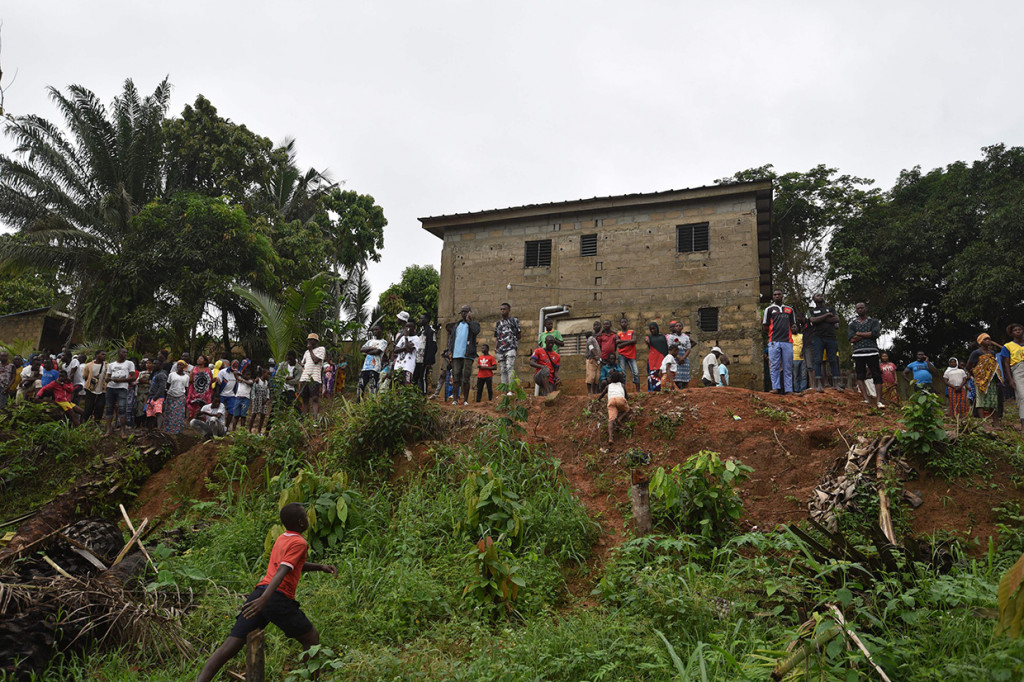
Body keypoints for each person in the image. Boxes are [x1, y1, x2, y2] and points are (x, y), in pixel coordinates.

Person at [194, 503, 337, 682]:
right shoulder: (300, 542)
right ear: (301, 522)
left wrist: (320, 567)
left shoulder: (282, 539)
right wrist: (265, 600)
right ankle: (311, 679)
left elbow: (292, 565)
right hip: (274, 597)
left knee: (230, 646)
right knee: (311, 637)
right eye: (306, 518)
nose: (308, 520)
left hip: (260, 592)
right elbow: (282, 571)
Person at [848, 302, 885, 409]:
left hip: (872, 351)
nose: (860, 310)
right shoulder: (852, 324)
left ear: (866, 309)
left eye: (862, 308)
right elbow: (851, 339)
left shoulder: (874, 321)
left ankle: (879, 401)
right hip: (858, 353)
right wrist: (867, 334)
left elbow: (875, 334)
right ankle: (866, 399)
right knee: (860, 375)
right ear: (856, 310)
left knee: (876, 375)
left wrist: (859, 334)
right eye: (858, 308)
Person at [762, 290, 797, 394]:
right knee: (774, 366)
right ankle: (776, 388)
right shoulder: (769, 309)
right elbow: (765, 326)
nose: (777, 296)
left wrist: (794, 328)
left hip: (787, 341)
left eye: (779, 294)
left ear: (782, 296)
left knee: (787, 366)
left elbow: (793, 324)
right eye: (775, 295)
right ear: (773, 297)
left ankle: (789, 390)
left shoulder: (789, 309)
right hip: (774, 341)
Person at [808, 292, 842, 392]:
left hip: (831, 337)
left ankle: (836, 384)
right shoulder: (811, 310)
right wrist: (827, 316)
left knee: (833, 360)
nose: (820, 296)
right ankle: (819, 384)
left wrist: (821, 320)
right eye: (817, 295)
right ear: (813, 299)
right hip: (818, 337)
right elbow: (813, 320)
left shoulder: (831, 308)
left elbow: (836, 319)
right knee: (818, 360)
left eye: (821, 295)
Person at [447, 305, 481, 406]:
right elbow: (452, 339)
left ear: (470, 313)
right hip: (456, 355)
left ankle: (465, 400)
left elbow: (476, 331)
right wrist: (450, 351)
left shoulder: (474, 324)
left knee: (466, 377)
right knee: (456, 376)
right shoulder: (457, 325)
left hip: (467, 354)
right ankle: (455, 399)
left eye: (466, 312)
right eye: (462, 312)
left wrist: (469, 321)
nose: (463, 314)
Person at [966, 333, 1004, 422]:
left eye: (989, 339)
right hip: (980, 380)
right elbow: (968, 366)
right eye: (985, 339)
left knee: (993, 400)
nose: (988, 341)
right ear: (980, 342)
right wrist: (975, 373)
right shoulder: (976, 353)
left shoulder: (992, 353)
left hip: (991, 379)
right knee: (981, 400)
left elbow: (993, 366)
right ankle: (983, 423)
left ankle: (996, 422)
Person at [104, 348, 135, 438]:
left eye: (126, 352)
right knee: (109, 408)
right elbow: (107, 376)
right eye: (123, 352)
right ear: (118, 353)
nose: (125, 354)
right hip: (110, 387)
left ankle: (122, 431)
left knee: (122, 408)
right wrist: (107, 379)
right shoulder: (112, 364)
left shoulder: (129, 363)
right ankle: (108, 430)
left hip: (122, 388)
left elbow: (133, 377)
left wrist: (120, 380)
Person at [1000, 323, 1024, 432]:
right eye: (1015, 330)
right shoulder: (1008, 346)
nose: (1018, 331)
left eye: (1020, 329)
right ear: (1011, 333)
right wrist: (1010, 379)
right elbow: (1006, 364)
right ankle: (1023, 423)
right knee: (1022, 396)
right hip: (1017, 370)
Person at [494, 303, 522, 393]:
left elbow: (519, 334)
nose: (502, 311)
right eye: (501, 309)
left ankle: (511, 390)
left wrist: (512, 341)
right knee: (502, 370)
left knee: (510, 367)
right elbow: (496, 336)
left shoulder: (514, 320)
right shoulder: (498, 323)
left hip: (510, 347)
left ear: (509, 310)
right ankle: (504, 391)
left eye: (504, 309)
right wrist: (496, 347)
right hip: (500, 349)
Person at [597, 369, 630, 445]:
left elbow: (602, 394)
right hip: (620, 399)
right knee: (627, 409)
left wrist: (598, 399)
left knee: (611, 420)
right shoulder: (622, 385)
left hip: (611, 401)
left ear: (611, 379)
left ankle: (610, 438)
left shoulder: (608, 386)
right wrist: (625, 402)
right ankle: (620, 418)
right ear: (620, 379)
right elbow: (626, 396)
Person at [358, 325, 388, 402]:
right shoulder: (369, 341)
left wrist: (367, 351)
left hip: (375, 368)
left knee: (372, 387)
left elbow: (377, 352)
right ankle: (359, 403)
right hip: (365, 367)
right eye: (373, 330)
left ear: (381, 330)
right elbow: (361, 349)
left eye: (376, 329)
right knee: (360, 386)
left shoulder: (384, 342)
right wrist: (372, 348)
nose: (375, 331)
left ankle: (372, 404)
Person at [163, 361, 190, 435]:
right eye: (178, 365)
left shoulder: (186, 377)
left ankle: (177, 430)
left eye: (181, 365)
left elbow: (186, 387)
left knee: (178, 413)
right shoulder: (172, 374)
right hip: (171, 395)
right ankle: (168, 429)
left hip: (181, 396)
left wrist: (186, 397)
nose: (179, 366)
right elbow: (168, 385)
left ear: (184, 367)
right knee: (170, 412)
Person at [616, 318, 641, 391]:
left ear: (627, 323)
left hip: (631, 355)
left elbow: (635, 341)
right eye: (622, 322)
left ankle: (638, 391)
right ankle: (623, 390)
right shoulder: (618, 333)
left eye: (625, 322)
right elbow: (619, 345)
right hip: (622, 355)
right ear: (620, 324)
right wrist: (630, 341)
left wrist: (622, 341)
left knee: (636, 372)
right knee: (623, 373)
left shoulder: (632, 332)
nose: (623, 323)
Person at [81, 350, 107, 422]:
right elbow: (85, 376)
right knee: (88, 406)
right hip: (90, 389)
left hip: (103, 389)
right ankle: (86, 422)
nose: (104, 356)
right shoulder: (89, 365)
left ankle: (97, 421)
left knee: (100, 406)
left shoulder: (107, 365)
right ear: (97, 355)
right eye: (102, 354)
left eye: (105, 354)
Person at [666, 322, 692, 389]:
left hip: (684, 359)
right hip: (675, 359)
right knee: (676, 377)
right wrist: (678, 357)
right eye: (676, 326)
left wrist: (683, 358)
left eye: (679, 326)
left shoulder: (686, 337)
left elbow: (688, 349)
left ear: (682, 328)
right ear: (674, 328)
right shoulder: (671, 337)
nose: (678, 327)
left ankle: (685, 391)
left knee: (685, 378)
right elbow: (670, 348)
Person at [186, 355, 213, 420]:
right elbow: (190, 380)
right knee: (193, 407)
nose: (198, 359)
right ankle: (192, 420)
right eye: (198, 358)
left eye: (201, 358)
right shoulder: (194, 368)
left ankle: (202, 420)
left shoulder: (208, 370)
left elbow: (211, 381)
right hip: (194, 392)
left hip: (205, 393)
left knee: (204, 407)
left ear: (205, 361)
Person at [415, 313, 436, 394]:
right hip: (417, 359)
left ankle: (423, 394)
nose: (420, 320)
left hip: (424, 360)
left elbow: (433, 347)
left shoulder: (431, 332)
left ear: (427, 320)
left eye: (422, 318)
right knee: (416, 377)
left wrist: (428, 361)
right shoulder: (420, 332)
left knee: (422, 377)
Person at [645, 322, 670, 392]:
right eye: (651, 329)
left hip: (662, 359)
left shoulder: (663, 337)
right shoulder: (649, 337)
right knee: (654, 379)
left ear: (657, 328)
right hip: (653, 361)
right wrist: (647, 341)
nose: (652, 330)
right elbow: (647, 340)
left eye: (654, 328)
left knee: (663, 377)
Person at [392, 322, 418, 386]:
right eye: (406, 327)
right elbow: (395, 350)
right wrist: (405, 348)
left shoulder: (416, 338)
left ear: (414, 328)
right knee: (397, 384)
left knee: (407, 383)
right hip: (398, 365)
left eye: (410, 327)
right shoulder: (402, 338)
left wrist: (406, 338)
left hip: (408, 365)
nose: (407, 329)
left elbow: (409, 349)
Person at [146, 360, 168, 431]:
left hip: (158, 397)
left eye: (156, 364)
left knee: (158, 413)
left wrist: (155, 398)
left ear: (160, 365)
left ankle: (159, 429)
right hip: (152, 396)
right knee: (150, 414)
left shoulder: (162, 374)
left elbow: (162, 387)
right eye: (153, 363)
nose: (153, 365)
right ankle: (151, 430)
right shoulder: (155, 373)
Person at [596, 319, 619, 385]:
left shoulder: (614, 335)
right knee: (603, 373)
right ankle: (602, 388)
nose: (606, 325)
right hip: (604, 357)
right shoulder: (601, 335)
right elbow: (599, 346)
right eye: (604, 324)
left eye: (607, 324)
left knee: (612, 373)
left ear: (610, 325)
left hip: (612, 359)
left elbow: (616, 345)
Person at [249, 367, 271, 434]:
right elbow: (253, 390)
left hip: (264, 400)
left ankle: (259, 431)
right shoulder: (257, 381)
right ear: (263, 374)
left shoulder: (266, 382)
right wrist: (254, 399)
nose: (268, 376)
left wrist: (267, 399)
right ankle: (249, 430)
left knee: (263, 415)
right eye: (267, 374)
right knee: (254, 414)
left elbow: (268, 391)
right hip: (257, 399)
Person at [217, 361, 238, 430]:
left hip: (231, 395)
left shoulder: (236, 374)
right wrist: (217, 395)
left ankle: (226, 427)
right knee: (220, 411)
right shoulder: (223, 372)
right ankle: (219, 427)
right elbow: (218, 384)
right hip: (222, 394)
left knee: (231, 412)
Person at [233, 365, 254, 431]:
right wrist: (241, 375)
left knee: (243, 415)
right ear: (243, 374)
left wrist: (242, 379)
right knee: (236, 415)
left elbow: (249, 383)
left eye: (249, 375)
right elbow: (235, 373)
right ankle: (233, 429)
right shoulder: (240, 378)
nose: (248, 376)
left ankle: (242, 430)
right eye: (247, 375)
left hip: (246, 399)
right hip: (238, 397)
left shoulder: (250, 381)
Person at [584, 322, 602, 394]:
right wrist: (596, 356)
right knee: (590, 377)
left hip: (596, 360)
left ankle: (594, 393)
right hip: (592, 360)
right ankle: (589, 392)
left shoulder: (593, 339)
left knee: (596, 378)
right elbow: (591, 348)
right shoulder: (590, 339)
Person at [792, 316, 808, 393]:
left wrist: (802, 351)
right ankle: (796, 390)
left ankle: (803, 390)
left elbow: (805, 344)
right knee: (795, 376)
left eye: (795, 327)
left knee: (804, 375)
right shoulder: (789, 337)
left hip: (803, 358)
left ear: (798, 328)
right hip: (794, 358)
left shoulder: (802, 336)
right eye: (792, 327)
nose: (794, 328)